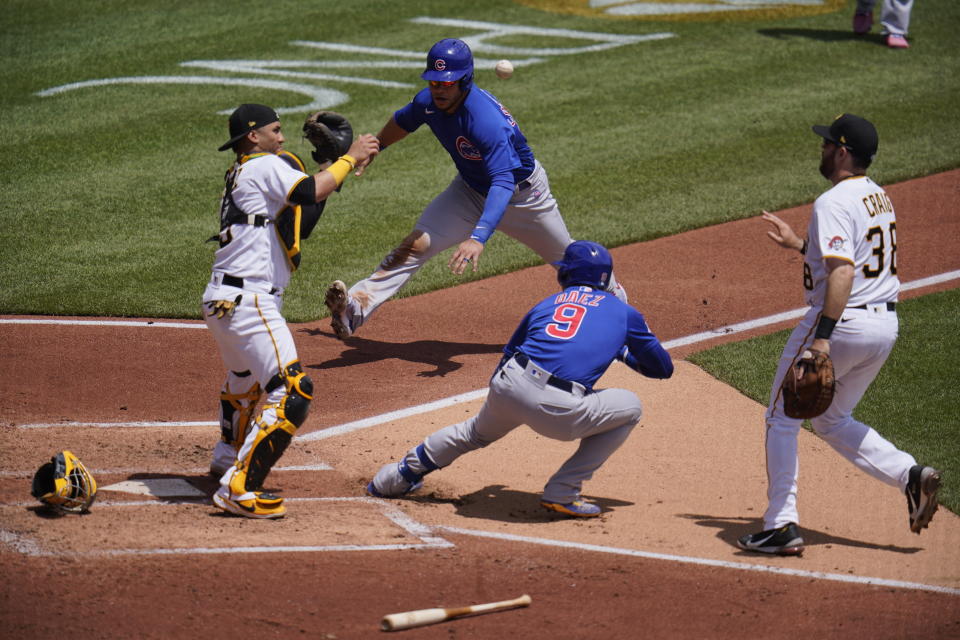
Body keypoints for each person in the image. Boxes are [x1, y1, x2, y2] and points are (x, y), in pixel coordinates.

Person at [323, 38, 626, 341]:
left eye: (447, 83)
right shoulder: (428, 102)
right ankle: (354, 310)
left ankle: (619, 318)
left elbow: (503, 182)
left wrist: (478, 237)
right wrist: (378, 147)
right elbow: (404, 120)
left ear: (465, 81)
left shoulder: (486, 122)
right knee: (416, 245)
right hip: (469, 192)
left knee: (573, 264)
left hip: (525, 199)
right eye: (434, 82)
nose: (439, 89)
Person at [737, 113, 941, 555]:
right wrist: (799, 245)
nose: (822, 149)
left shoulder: (832, 200)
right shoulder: (877, 196)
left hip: (842, 322)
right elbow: (857, 254)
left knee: (781, 418)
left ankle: (780, 524)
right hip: (883, 326)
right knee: (831, 419)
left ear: (843, 151)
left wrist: (822, 338)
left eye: (828, 144)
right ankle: (910, 474)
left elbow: (843, 271)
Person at [366, 241, 673, 517]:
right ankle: (563, 491)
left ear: (565, 273)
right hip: (559, 408)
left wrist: (503, 397)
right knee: (630, 406)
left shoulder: (547, 303)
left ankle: (394, 478)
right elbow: (662, 368)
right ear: (606, 277)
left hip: (510, 382)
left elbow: (511, 350)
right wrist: (622, 351)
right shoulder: (624, 312)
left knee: (472, 432)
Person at [203, 103, 379, 518]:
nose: (282, 138)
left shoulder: (246, 172)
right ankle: (240, 488)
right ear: (253, 135)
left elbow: (302, 214)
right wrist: (350, 157)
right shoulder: (263, 164)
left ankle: (227, 455)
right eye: (275, 130)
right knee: (292, 390)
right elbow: (308, 192)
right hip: (250, 300)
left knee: (245, 378)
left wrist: (330, 164)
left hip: (222, 299)